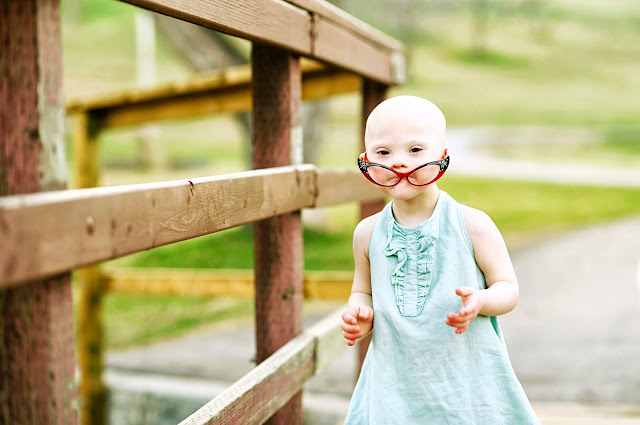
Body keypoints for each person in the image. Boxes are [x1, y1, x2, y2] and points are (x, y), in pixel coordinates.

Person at [341, 96, 539, 424]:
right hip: (395, 387)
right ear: (366, 160)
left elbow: (508, 288)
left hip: (465, 385)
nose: (399, 162)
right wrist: (360, 313)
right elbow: (362, 291)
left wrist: (481, 300)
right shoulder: (367, 233)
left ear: (443, 156)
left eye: (415, 150)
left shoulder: (473, 225)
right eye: (383, 153)